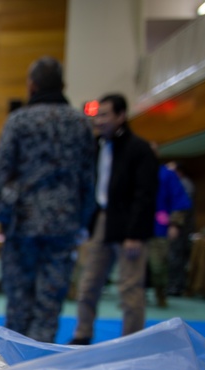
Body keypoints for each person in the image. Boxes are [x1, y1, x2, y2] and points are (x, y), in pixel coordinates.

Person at [0, 56, 96, 342]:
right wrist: (84, 221)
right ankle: (39, 358)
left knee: (19, 298)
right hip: (64, 223)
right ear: (64, 85)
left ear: (31, 86)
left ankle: (16, 361)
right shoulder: (81, 123)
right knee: (50, 300)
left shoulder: (20, 120)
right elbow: (89, 179)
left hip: (24, 222)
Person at [70, 93, 159, 344]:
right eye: (97, 115)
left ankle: (131, 342)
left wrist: (135, 233)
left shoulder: (139, 149)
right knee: (88, 283)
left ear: (121, 116)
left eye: (105, 115)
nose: (99, 120)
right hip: (101, 221)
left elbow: (145, 194)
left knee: (130, 289)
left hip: (129, 225)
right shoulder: (96, 147)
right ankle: (82, 333)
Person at [147, 151, 191, 308]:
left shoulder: (166, 174)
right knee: (134, 267)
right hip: (134, 229)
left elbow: (179, 200)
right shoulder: (132, 170)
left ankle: (160, 295)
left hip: (159, 227)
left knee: (159, 265)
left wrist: (174, 224)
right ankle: (135, 297)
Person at [166, 161, 195, 297]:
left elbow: (183, 208)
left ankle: (176, 287)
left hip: (181, 228)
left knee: (177, 257)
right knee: (173, 257)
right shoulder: (177, 184)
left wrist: (175, 224)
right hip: (176, 227)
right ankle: (173, 285)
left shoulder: (185, 184)